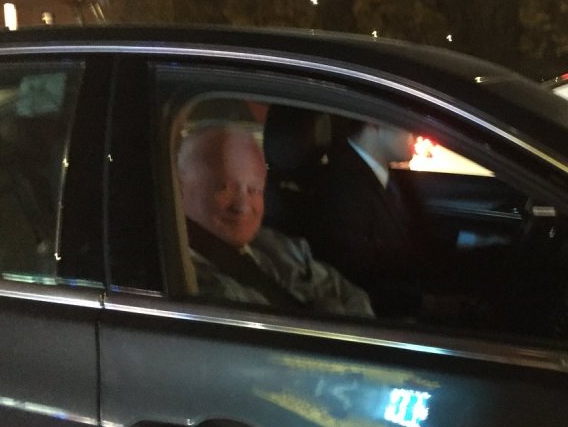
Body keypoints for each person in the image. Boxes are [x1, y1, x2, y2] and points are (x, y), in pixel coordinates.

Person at [176, 123, 374, 317]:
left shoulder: (286, 249)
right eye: (223, 187)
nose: (243, 205)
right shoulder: (186, 277)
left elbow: (353, 296)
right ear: (180, 188)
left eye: (254, 190)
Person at [310, 120, 425, 318]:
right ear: (373, 122)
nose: (417, 132)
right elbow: (355, 280)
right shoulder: (343, 190)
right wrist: (428, 303)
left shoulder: (382, 175)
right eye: (405, 118)